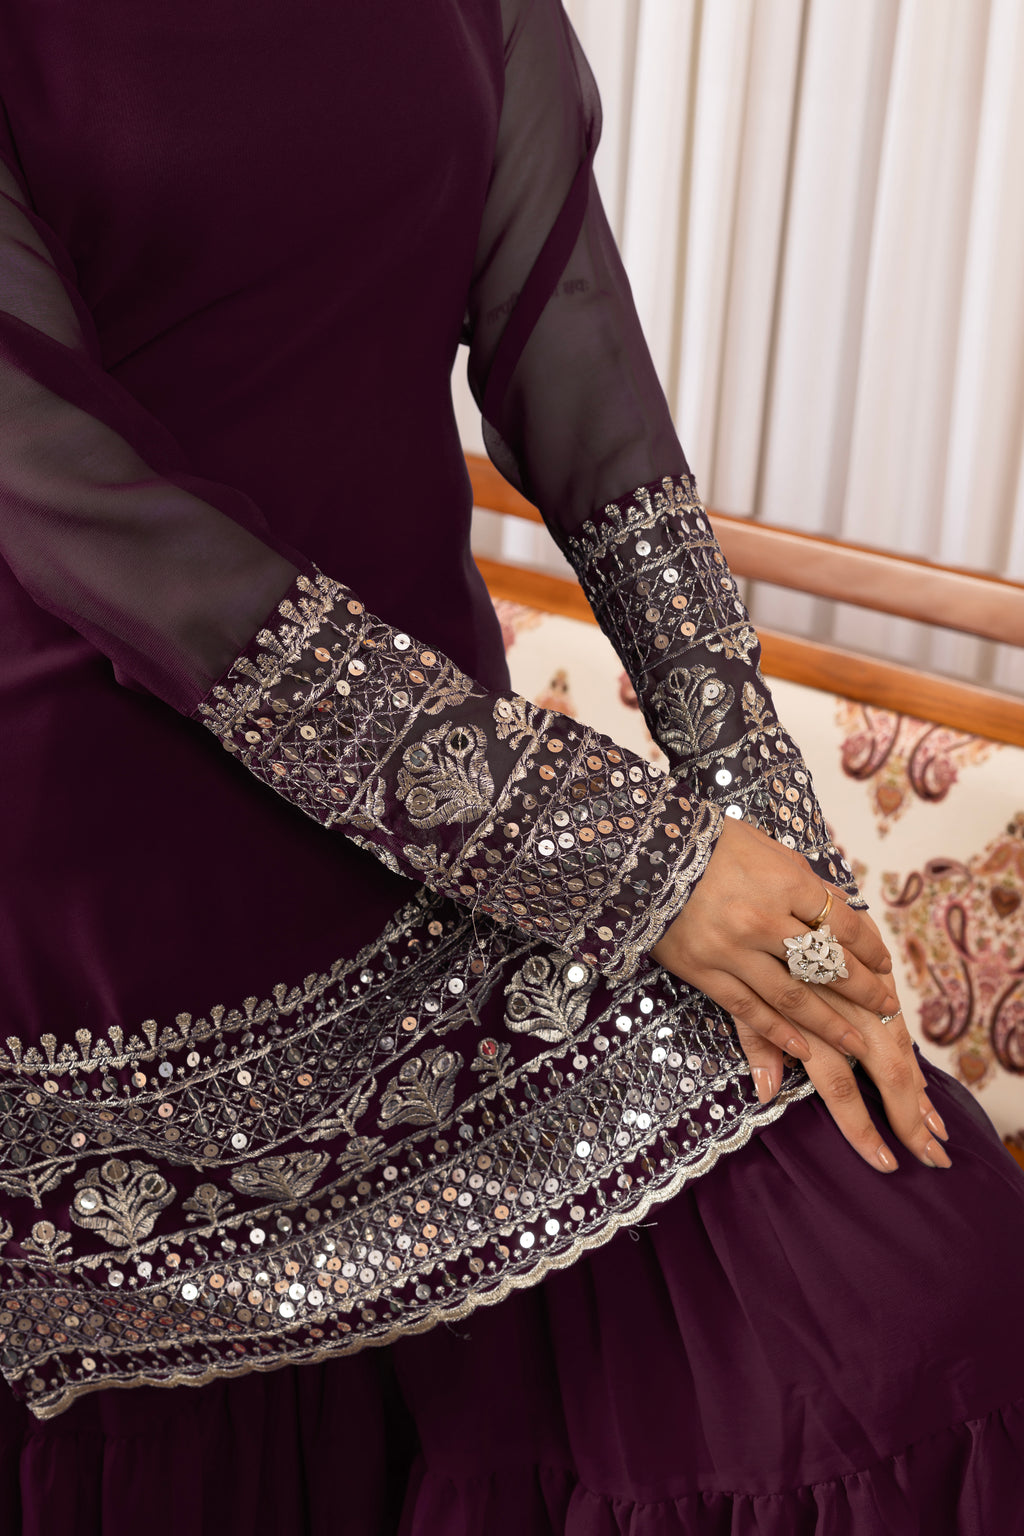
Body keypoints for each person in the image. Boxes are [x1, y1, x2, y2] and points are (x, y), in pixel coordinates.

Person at [0, 1, 1021, 1531]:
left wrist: (755, 827)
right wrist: (633, 857)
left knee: (922, 1281)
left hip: (457, 854)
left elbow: (577, 367)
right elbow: (68, 489)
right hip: (117, 882)